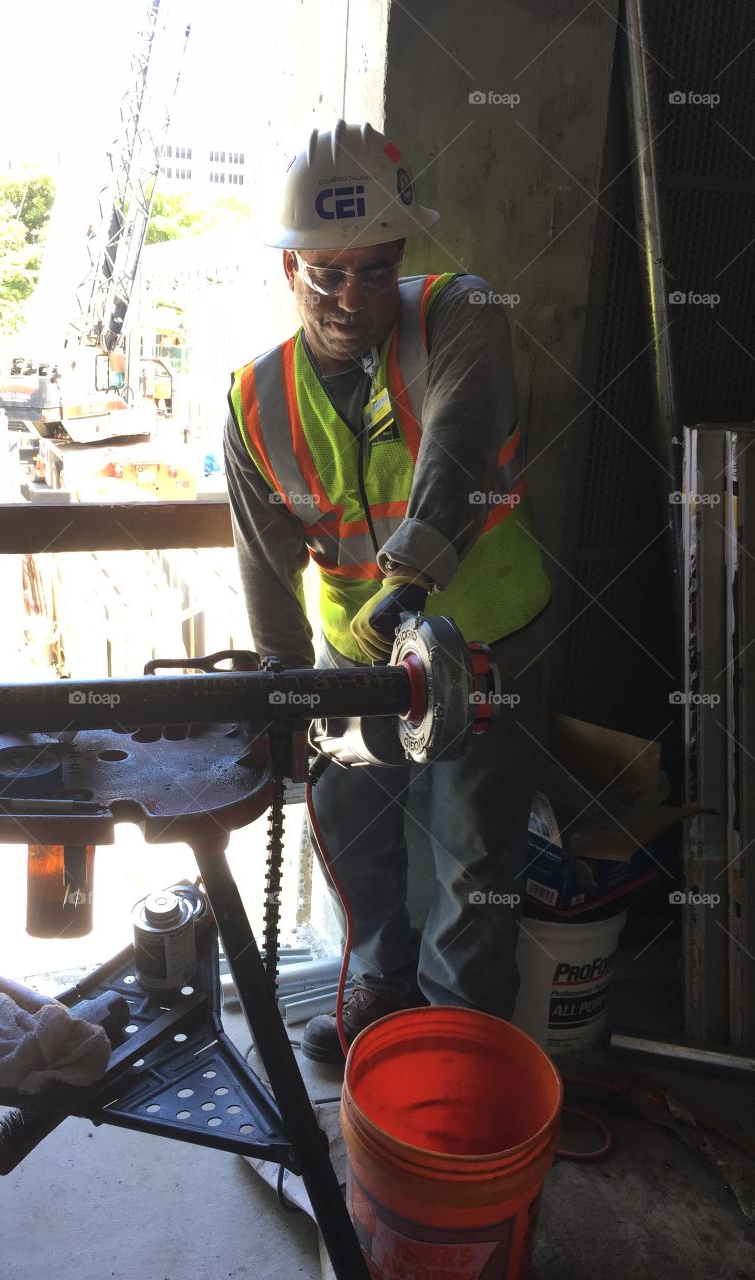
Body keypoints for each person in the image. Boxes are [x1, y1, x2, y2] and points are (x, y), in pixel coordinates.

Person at [223, 120, 552, 1064]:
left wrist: (406, 583)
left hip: (480, 639)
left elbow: (458, 447)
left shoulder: (462, 312)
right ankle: (381, 986)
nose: (351, 295)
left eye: (374, 269)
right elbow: (263, 563)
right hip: (352, 659)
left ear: (401, 256)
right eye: (327, 270)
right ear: (289, 266)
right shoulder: (255, 401)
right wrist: (285, 693)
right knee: (359, 833)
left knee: (471, 859)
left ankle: (455, 1048)